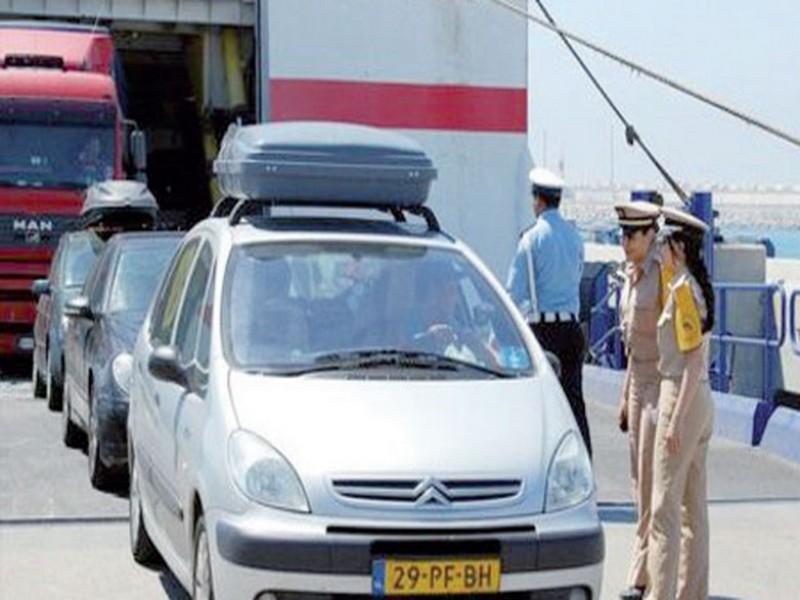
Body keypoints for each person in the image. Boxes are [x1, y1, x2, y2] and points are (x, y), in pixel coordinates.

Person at [647, 207, 715, 600]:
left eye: (663, 243)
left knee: (664, 510)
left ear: (679, 248)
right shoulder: (690, 286)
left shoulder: (684, 291)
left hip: (682, 397)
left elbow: (690, 360)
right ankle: (692, 593)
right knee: (693, 508)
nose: (660, 250)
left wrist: (674, 422)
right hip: (701, 399)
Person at [507, 167, 591, 455]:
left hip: (543, 332)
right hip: (572, 330)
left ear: (538, 200)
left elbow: (513, 294)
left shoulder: (530, 240)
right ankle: (585, 462)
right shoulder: (575, 238)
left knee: (542, 406)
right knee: (575, 402)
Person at [614, 201, 663, 600]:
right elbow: (630, 343)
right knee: (637, 480)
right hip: (638, 381)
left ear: (651, 235)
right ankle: (643, 567)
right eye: (622, 234)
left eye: (631, 235)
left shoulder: (663, 276)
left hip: (661, 383)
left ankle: (642, 574)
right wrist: (624, 393)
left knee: (652, 480)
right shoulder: (632, 276)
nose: (624, 242)